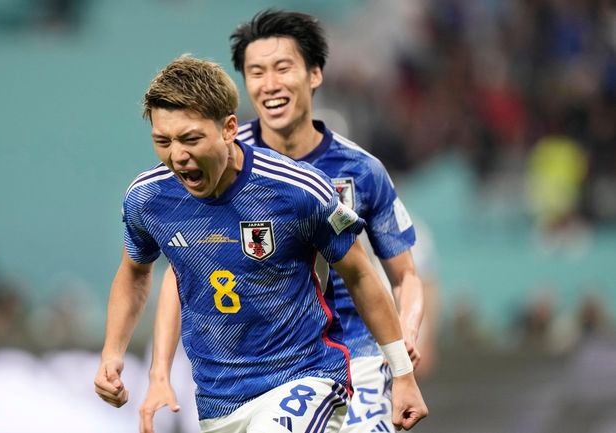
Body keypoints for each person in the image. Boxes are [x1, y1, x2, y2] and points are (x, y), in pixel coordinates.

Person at [94, 55, 427, 433]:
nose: (177, 155)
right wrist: (113, 355)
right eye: (162, 141)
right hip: (219, 398)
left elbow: (360, 274)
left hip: (303, 376)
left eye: (190, 139)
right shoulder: (148, 199)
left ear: (229, 129)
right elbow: (136, 273)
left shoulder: (297, 189)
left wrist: (401, 374)